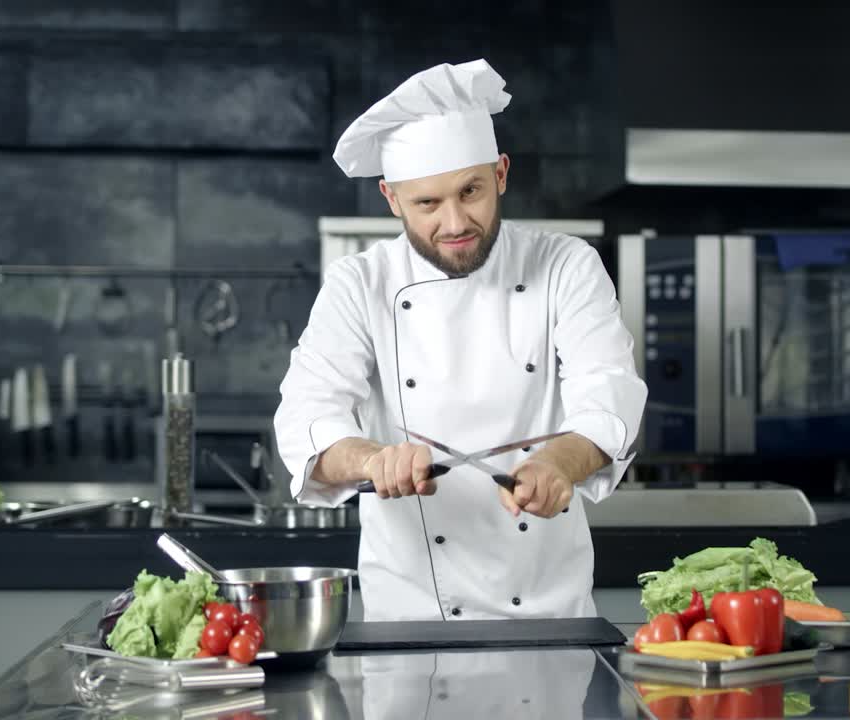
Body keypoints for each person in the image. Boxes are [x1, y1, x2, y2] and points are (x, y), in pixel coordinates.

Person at [274, 59, 647, 622]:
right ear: (391, 198)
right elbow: (307, 420)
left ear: (500, 173)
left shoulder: (567, 265)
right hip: (408, 617)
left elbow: (610, 394)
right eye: (427, 203)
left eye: (470, 191)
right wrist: (375, 460)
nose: (454, 222)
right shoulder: (360, 284)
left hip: (551, 616)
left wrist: (558, 464)